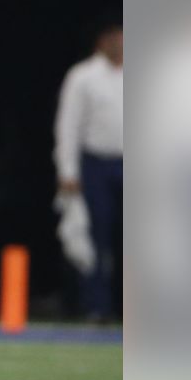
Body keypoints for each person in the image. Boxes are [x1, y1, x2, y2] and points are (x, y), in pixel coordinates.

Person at [54, 23, 123, 322]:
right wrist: (67, 169)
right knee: (94, 237)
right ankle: (97, 305)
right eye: (113, 36)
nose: (118, 42)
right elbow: (68, 125)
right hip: (96, 163)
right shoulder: (83, 76)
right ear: (102, 40)